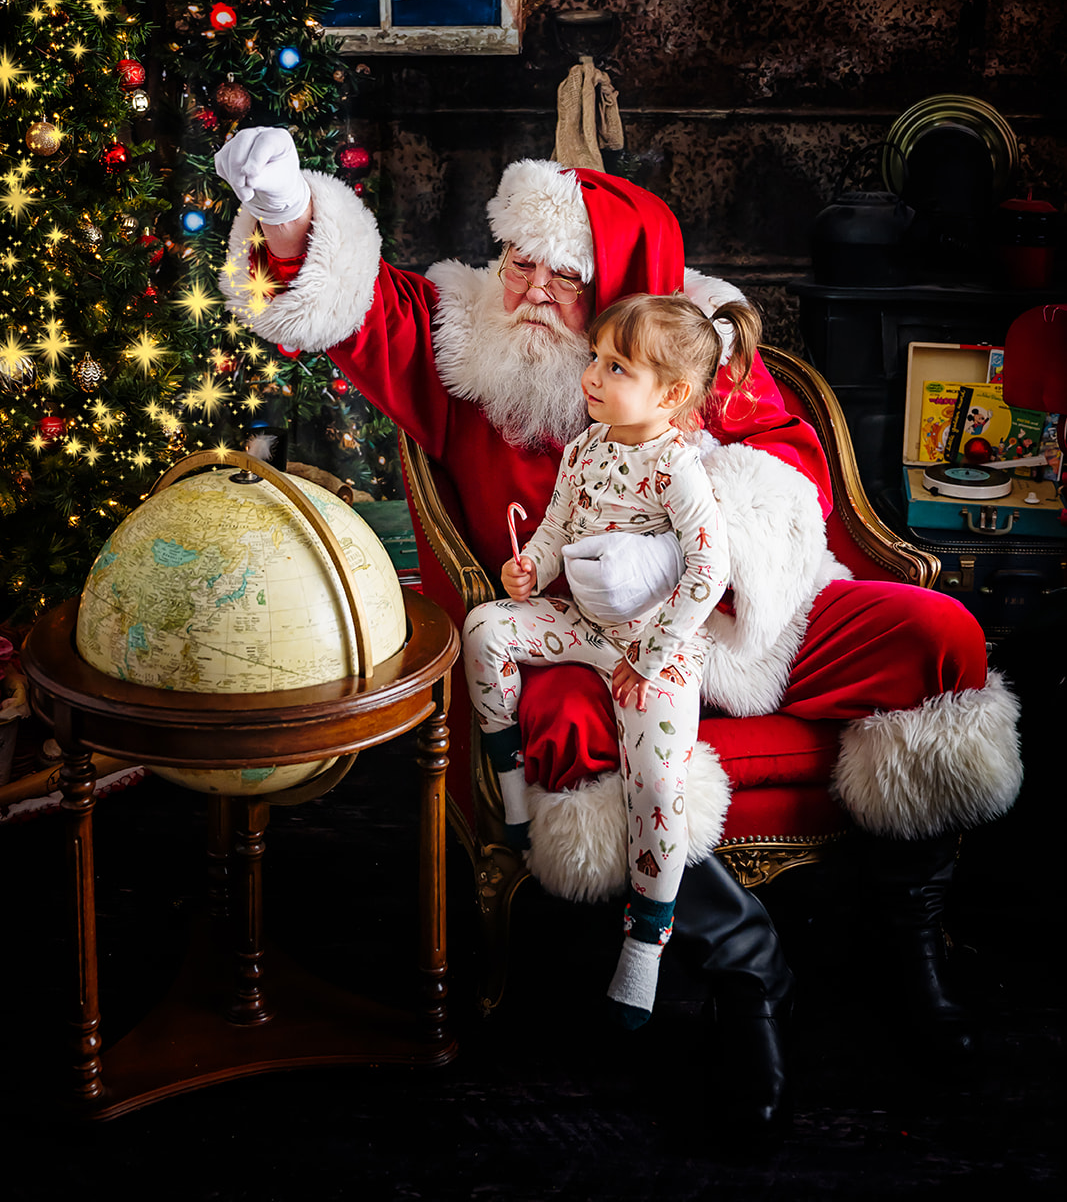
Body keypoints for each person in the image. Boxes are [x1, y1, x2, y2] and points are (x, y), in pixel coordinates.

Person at [215, 129, 1023, 1134]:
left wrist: (698, 554)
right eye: (520, 259)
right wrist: (288, 210)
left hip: (742, 620)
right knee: (570, 731)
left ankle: (911, 948)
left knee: (934, 634)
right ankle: (743, 963)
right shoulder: (457, 339)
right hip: (581, 646)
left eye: (564, 275)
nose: (529, 290)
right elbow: (352, 305)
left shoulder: (694, 346)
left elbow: (790, 462)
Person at [464, 292, 758, 1028]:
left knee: (658, 785)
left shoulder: (676, 470)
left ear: (671, 394)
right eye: (594, 357)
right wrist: (528, 568)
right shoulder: (585, 447)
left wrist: (651, 657)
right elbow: (557, 522)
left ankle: (645, 943)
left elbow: (707, 572)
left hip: (657, 645)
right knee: (483, 629)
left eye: (615, 365)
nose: (591, 373)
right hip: (583, 623)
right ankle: (516, 797)